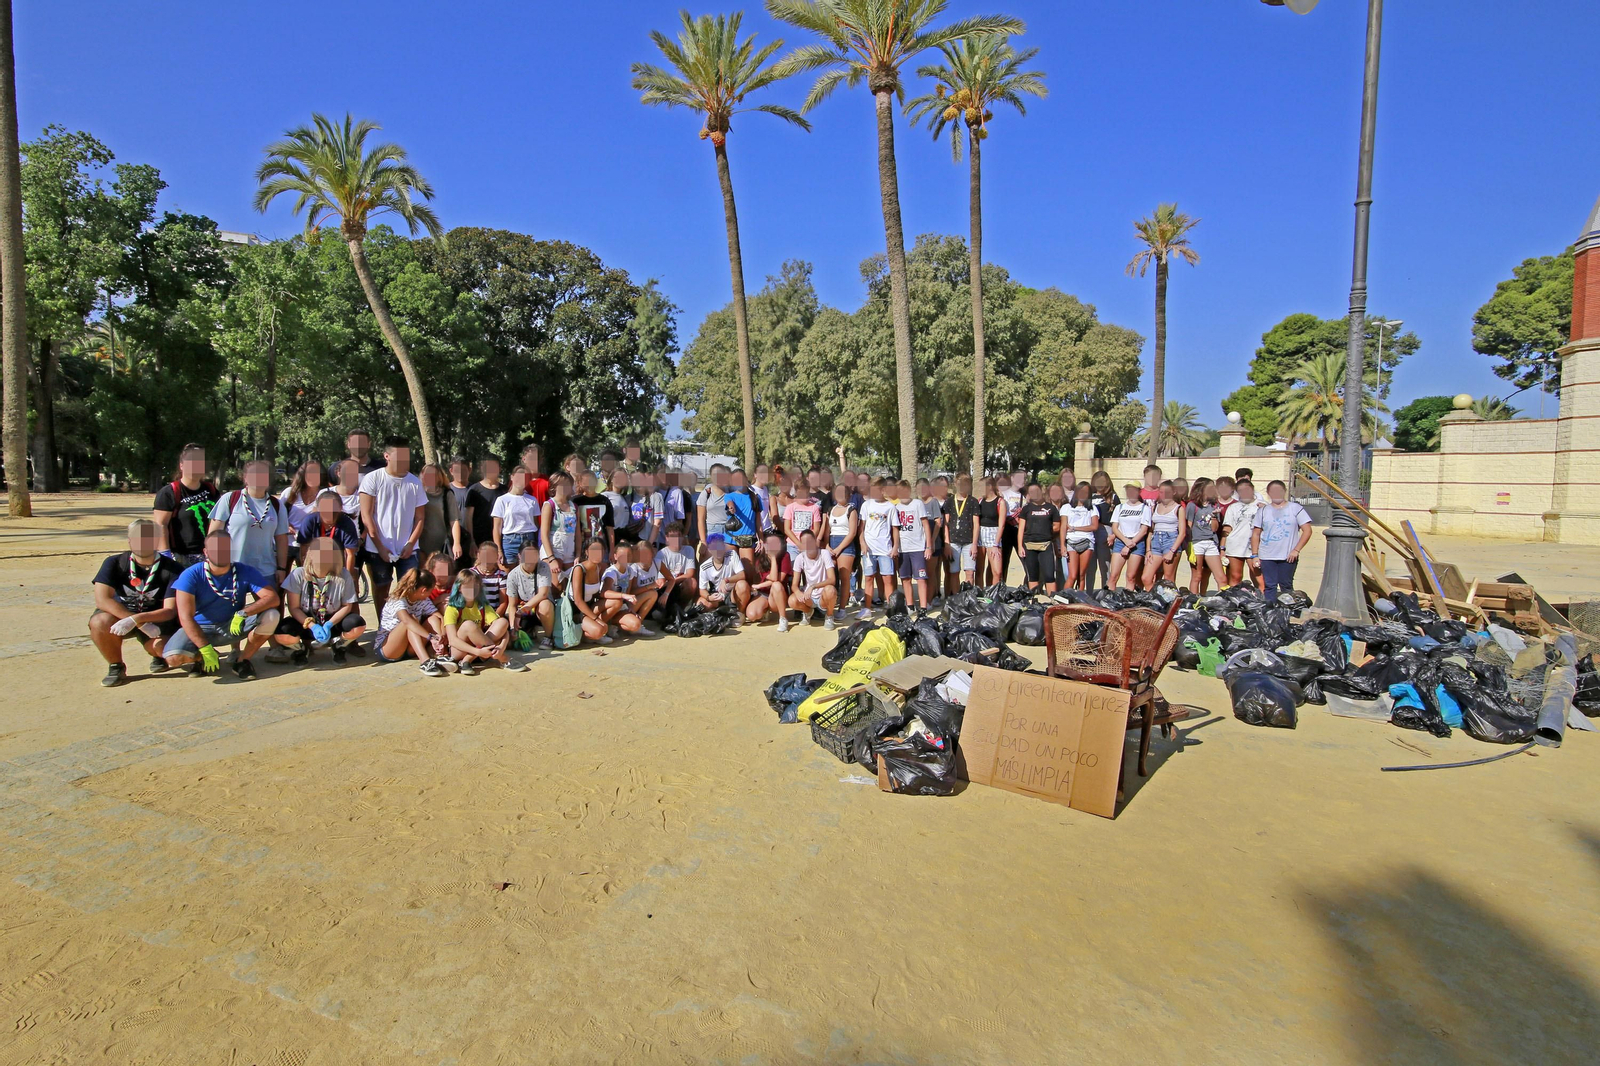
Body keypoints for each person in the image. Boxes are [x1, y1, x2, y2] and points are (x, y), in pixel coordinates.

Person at [163, 529, 281, 680]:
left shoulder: (244, 570)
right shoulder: (191, 574)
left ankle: (242, 661)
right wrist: (204, 647)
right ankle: (201, 657)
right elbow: (185, 617)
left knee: (272, 616)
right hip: (200, 628)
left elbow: (272, 598)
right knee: (173, 659)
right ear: (206, 552)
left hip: (232, 625)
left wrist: (244, 612)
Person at [90, 519, 182, 686]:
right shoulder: (114, 563)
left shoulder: (173, 568)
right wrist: (137, 622)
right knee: (99, 622)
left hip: (156, 621)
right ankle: (116, 666)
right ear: (129, 540)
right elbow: (102, 599)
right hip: (120, 618)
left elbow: (170, 610)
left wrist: (141, 620)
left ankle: (157, 656)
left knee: (172, 654)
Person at [358, 438, 428, 614]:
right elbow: (366, 515)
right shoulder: (372, 479)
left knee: (410, 589)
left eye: (406, 456)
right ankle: (383, 625)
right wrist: (380, 547)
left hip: (408, 549)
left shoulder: (415, 482)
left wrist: (411, 543)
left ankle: (406, 625)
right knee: (381, 588)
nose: (404, 460)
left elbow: (420, 518)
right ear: (387, 456)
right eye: (399, 456)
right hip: (378, 548)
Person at [273, 536, 364, 665]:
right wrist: (313, 626)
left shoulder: (343, 574)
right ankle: (301, 650)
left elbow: (347, 605)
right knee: (282, 632)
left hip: (333, 619)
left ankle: (339, 646)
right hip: (306, 620)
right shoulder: (298, 574)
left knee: (357, 624)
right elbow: (294, 608)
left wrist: (329, 624)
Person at [208, 459, 290, 591]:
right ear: (245, 478)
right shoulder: (230, 499)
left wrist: (281, 568)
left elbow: (281, 539)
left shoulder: (277, 505)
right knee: (231, 605)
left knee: (270, 604)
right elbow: (213, 534)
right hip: (232, 568)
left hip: (265, 570)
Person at [374, 569, 450, 675]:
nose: (430, 594)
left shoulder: (423, 599)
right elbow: (407, 621)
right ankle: (425, 661)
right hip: (388, 649)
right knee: (411, 619)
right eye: (430, 591)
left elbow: (439, 617)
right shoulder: (397, 599)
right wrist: (430, 637)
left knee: (433, 618)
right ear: (423, 590)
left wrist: (441, 635)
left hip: (410, 648)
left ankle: (441, 653)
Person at [153, 444, 219, 565]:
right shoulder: (169, 493)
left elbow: (220, 520)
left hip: (210, 556)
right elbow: (160, 525)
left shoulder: (211, 490)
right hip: (180, 558)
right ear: (181, 465)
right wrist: (165, 554)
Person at [444, 568, 518, 674]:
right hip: (460, 650)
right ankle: (503, 658)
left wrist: (502, 647)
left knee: (503, 622)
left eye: (475, 586)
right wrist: (478, 651)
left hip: (483, 649)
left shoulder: (482, 606)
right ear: (459, 588)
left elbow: (503, 630)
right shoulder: (452, 608)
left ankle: (467, 660)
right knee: (469, 625)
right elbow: (452, 641)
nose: (472, 590)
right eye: (468, 586)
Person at [1251, 480, 1314, 596]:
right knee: (1270, 585)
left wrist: (1296, 550)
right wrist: (1254, 555)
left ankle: (1288, 606)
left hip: (1288, 555)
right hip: (1267, 555)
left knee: (1286, 586)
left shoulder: (1295, 508)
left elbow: (1307, 531)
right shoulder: (1263, 511)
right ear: (1268, 493)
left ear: (1284, 491)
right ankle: (1270, 606)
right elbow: (1256, 534)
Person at [505, 544, 564, 649]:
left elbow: (543, 594)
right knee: (512, 640)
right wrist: (513, 627)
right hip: (523, 611)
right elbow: (512, 604)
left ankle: (548, 637)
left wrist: (521, 611)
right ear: (519, 556)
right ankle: (529, 630)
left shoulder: (543, 566)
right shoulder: (513, 575)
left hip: (536, 609)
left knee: (545, 605)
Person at [857, 478, 898, 618]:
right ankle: (867, 609)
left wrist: (895, 547)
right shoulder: (866, 505)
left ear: (883, 490)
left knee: (888, 579)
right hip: (868, 550)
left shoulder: (891, 507)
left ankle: (891, 609)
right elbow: (861, 528)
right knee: (869, 578)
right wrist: (862, 542)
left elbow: (895, 529)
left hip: (885, 549)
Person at [600, 542, 656, 637]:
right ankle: (606, 624)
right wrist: (623, 596)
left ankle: (620, 625)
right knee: (619, 604)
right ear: (615, 556)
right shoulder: (611, 572)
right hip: (609, 607)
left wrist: (630, 608)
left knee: (652, 594)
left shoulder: (630, 570)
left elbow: (629, 592)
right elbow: (603, 593)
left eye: (629, 555)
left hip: (622, 605)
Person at [569, 537, 617, 646]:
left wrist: (621, 596)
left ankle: (595, 628)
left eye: (600, 550)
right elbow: (578, 601)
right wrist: (597, 619)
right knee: (598, 631)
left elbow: (597, 594)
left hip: (589, 606)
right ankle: (587, 632)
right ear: (586, 552)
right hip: (576, 611)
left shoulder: (599, 567)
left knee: (616, 602)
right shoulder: (579, 569)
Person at [491, 465, 542, 567]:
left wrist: (539, 545)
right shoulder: (502, 500)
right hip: (510, 541)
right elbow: (497, 528)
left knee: (528, 572)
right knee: (507, 573)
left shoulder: (532, 500)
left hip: (529, 540)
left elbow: (536, 524)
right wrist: (499, 550)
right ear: (512, 477)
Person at [894, 479, 933, 609]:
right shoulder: (896, 507)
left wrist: (928, 546)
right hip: (902, 549)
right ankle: (910, 606)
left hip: (918, 548)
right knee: (905, 578)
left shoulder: (918, 504)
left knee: (921, 578)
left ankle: (923, 607)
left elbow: (926, 525)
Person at [1142, 481, 1188, 590]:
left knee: (1168, 579)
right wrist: (1148, 550)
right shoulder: (1155, 507)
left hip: (1171, 542)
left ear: (1173, 492)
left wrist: (1172, 551)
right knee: (1146, 578)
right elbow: (1151, 530)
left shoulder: (1179, 509)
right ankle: (1155, 598)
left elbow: (1182, 533)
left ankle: (1170, 600)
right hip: (1156, 543)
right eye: (1161, 492)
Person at [789, 530, 839, 630]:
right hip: (809, 597)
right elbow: (794, 585)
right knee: (792, 601)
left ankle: (829, 616)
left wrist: (813, 586)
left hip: (823, 596)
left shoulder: (824, 554)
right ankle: (807, 612)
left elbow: (832, 579)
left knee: (830, 590)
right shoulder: (800, 558)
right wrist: (798, 593)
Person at [1017, 482, 1060, 593]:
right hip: (1029, 545)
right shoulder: (1026, 509)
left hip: (1046, 544)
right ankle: (1033, 598)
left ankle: (1052, 599)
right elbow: (1021, 529)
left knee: (1049, 575)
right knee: (1033, 576)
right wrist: (1020, 546)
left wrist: (1045, 529)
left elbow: (1057, 526)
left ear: (1041, 491)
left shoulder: (1051, 508)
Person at [1107, 483, 1151, 590]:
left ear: (1139, 491)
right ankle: (1109, 597)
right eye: (1128, 490)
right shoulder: (1119, 507)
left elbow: (1144, 530)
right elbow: (1115, 527)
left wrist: (1130, 544)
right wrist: (1125, 541)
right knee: (1113, 576)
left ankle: (1128, 597)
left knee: (1131, 577)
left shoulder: (1145, 508)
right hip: (1121, 541)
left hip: (1137, 543)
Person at [462, 457, 506, 565]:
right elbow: (468, 519)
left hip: (501, 540)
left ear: (499, 468)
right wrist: (472, 541)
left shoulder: (505, 490)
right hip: (479, 540)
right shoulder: (474, 490)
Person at [1187, 478, 1226, 594]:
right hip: (1196, 542)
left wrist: (1214, 516)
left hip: (1211, 542)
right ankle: (1193, 601)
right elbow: (1189, 526)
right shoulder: (1192, 505)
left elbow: (1214, 528)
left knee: (1221, 578)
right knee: (1197, 576)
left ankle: (1223, 601)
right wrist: (1189, 547)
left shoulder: (1214, 505)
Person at [417, 463, 463, 564]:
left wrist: (456, 543)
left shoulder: (447, 494)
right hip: (421, 544)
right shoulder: (417, 493)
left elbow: (454, 520)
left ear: (439, 477)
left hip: (442, 544)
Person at [1222, 479, 1263, 589]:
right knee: (1236, 576)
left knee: (1259, 577)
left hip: (1254, 547)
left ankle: (1262, 598)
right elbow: (1227, 529)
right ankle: (1234, 597)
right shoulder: (1233, 507)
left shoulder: (1262, 506)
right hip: (1235, 545)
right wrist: (1222, 548)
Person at [826, 483, 860, 616]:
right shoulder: (830, 509)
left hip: (846, 545)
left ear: (848, 494)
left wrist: (839, 548)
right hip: (831, 543)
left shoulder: (851, 510)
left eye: (843, 492)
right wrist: (827, 545)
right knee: (830, 576)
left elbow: (852, 533)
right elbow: (827, 530)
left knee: (844, 577)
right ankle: (829, 607)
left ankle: (842, 609)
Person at [279, 460, 328, 552]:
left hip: (312, 546)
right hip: (287, 544)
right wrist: (287, 525)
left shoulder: (326, 495)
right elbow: (278, 515)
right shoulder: (290, 493)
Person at [747, 531, 792, 629]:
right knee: (752, 615)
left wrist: (773, 557)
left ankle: (783, 618)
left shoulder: (785, 556)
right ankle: (765, 610)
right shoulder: (760, 559)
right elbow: (770, 577)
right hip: (764, 593)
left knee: (776, 584)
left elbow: (776, 579)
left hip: (778, 593)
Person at [942, 474, 978, 595]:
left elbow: (976, 524)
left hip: (969, 542)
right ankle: (957, 598)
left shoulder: (973, 501)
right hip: (953, 542)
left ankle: (968, 597)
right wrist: (947, 544)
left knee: (970, 572)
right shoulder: (949, 501)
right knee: (954, 572)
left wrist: (974, 544)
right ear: (955, 484)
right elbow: (945, 524)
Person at [1060, 482, 1100, 591]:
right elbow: (1063, 527)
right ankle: (1062, 597)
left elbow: (1094, 526)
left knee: (1081, 575)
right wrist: (1062, 545)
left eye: (1086, 492)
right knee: (1072, 575)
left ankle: (1080, 597)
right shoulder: (1066, 507)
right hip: (1071, 542)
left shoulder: (1092, 508)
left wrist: (1074, 528)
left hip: (1087, 541)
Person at [696, 533, 750, 615]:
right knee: (700, 603)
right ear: (709, 550)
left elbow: (742, 575)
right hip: (718, 596)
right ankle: (719, 614)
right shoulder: (704, 567)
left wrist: (726, 580)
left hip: (733, 593)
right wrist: (709, 597)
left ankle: (740, 613)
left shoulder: (732, 554)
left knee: (742, 585)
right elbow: (702, 589)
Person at [1085, 471, 1117, 592]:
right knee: (1090, 566)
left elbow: (1118, 517)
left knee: (1105, 565)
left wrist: (1113, 535)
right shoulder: (1089, 496)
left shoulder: (1113, 497)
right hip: (1090, 531)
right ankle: (1089, 593)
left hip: (1106, 531)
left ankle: (1106, 593)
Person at [655, 523, 699, 611]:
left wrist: (673, 581)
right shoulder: (661, 554)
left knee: (692, 583)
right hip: (667, 588)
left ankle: (681, 609)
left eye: (678, 536)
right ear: (667, 538)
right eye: (672, 536)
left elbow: (690, 574)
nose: (676, 539)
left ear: (682, 537)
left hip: (679, 583)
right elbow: (661, 581)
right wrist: (671, 583)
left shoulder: (689, 550)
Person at [540, 471, 580, 566]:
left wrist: (578, 554)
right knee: (555, 576)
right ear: (554, 486)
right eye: (562, 484)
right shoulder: (549, 505)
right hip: (553, 550)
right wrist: (551, 558)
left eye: (568, 484)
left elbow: (577, 534)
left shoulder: (574, 507)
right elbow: (544, 534)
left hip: (570, 551)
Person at [573, 471, 616, 558]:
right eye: (585, 483)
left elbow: (610, 528)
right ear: (580, 484)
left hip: (601, 545)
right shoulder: (576, 502)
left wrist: (611, 551)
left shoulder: (604, 501)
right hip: (583, 546)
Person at [725, 469, 763, 564]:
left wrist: (761, 539)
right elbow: (729, 503)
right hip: (730, 539)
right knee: (730, 570)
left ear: (745, 479)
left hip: (747, 540)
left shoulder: (755, 497)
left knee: (748, 570)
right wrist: (731, 507)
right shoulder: (729, 496)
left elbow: (758, 522)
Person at [782, 477, 823, 563]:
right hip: (792, 545)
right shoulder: (790, 507)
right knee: (793, 567)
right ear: (796, 492)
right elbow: (787, 529)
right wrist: (799, 544)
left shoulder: (814, 508)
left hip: (809, 545)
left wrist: (807, 543)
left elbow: (816, 529)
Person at [696, 464, 730, 559]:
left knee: (727, 562)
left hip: (729, 532)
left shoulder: (730, 491)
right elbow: (700, 519)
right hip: (713, 531)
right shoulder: (706, 493)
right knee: (711, 561)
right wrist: (703, 541)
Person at [976, 476, 1003, 587]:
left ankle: (994, 593)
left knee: (997, 571)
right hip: (980, 535)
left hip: (994, 536)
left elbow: (1001, 525)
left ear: (990, 486)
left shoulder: (1000, 502)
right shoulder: (980, 501)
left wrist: (996, 544)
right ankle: (980, 593)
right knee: (979, 570)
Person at [467, 540, 508, 615]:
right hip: (474, 614)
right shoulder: (471, 573)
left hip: (494, 613)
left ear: (497, 557)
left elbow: (503, 602)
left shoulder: (501, 575)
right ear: (478, 555)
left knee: (503, 621)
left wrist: (494, 618)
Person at [602, 469, 631, 538]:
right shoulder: (604, 496)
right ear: (611, 479)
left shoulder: (625, 498)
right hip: (610, 536)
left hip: (624, 536)